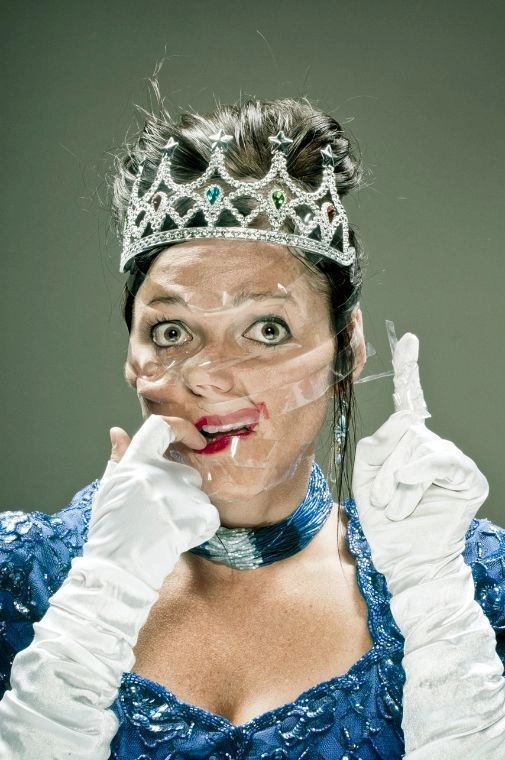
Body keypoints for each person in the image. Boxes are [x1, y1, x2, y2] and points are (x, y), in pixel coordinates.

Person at [0, 97, 504, 759]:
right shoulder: (19, 575)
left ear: (347, 351)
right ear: (131, 357)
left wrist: (435, 595)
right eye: (171, 332)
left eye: (266, 330)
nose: (209, 376)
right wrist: (101, 594)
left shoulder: (465, 582)